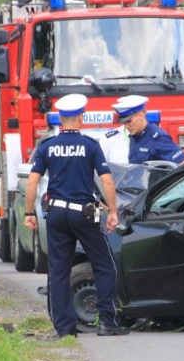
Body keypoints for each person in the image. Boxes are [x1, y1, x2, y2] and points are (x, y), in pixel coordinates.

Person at [24, 93, 128, 338]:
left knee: (58, 271)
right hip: (84, 213)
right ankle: (107, 322)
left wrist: (29, 212)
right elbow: (107, 181)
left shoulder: (48, 146)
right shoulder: (90, 145)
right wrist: (112, 211)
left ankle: (64, 329)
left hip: (57, 213)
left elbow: (32, 182)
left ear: (60, 118)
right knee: (105, 265)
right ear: (81, 117)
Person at [111, 95, 184, 165]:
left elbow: (183, 165)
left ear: (143, 113)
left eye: (129, 121)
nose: (126, 126)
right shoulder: (135, 136)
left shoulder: (158, 138)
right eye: (124, 123)